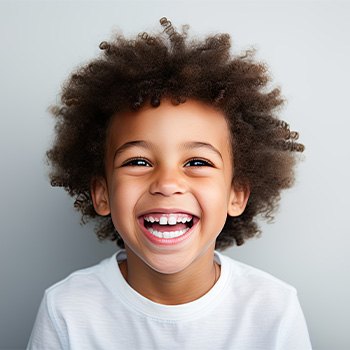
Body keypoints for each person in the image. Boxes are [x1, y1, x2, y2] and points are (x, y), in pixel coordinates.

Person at [27, 17, 312, 349]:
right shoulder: (66, 311)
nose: (167, 183)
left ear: (236, 194)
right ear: (102, 193)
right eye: (138, 162)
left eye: (197, 162)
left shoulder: (274, 310)